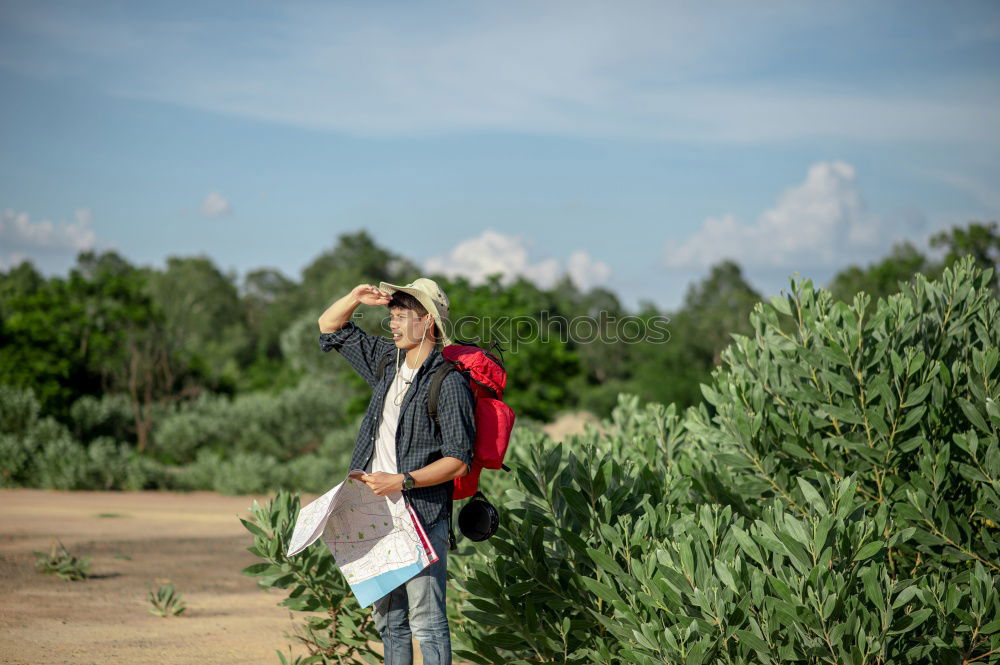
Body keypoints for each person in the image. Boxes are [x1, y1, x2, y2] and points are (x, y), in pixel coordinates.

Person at [317, 278, 475, 665]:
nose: (393, 324)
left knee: (428, 620)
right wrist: (355, 297)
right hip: (375, 512)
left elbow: (458, 460)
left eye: (403, 317)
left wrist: (402, 480)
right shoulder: (387, 361)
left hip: (421, 514)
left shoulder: (449, 383)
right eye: (392, 316)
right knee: (389, 621)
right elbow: (329, 326)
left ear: (429, 323)